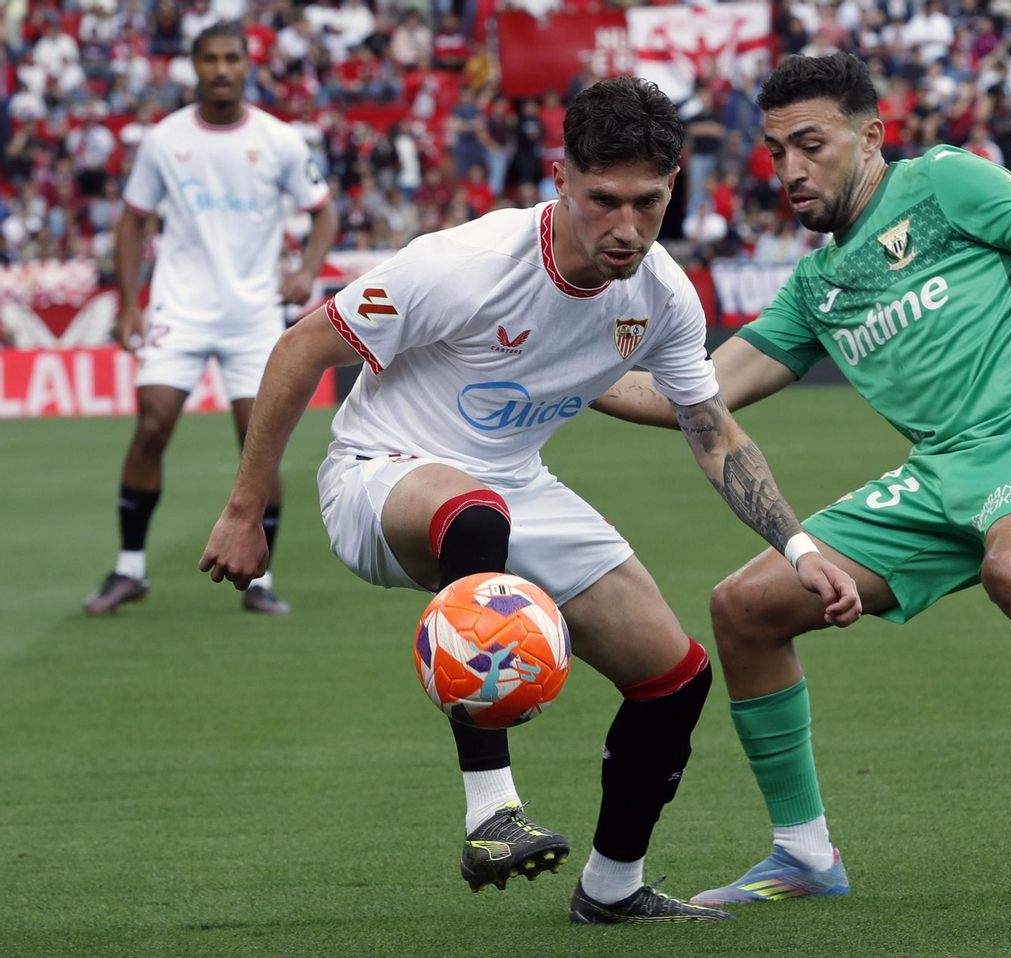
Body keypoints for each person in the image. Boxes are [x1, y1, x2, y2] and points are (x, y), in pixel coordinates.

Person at [196, 77, 863, 925]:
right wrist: (246, 508)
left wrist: (800, 550)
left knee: (675, 674)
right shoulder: (463, 263)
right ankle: (491, 813)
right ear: (560, 177)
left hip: (516, 484)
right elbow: (301, 349)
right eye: (603, 200)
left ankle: (614, 888)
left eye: (649, 203)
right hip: (381, 473)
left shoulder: (662, 296)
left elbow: (714, 432)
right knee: (476, 515)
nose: (626, 228)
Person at [593, 52, 1011, 904]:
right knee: (746, 608)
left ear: (871, 137)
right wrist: (558, 369)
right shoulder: (814, 287)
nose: (791, 170)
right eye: (775, 152)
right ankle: (804, 855)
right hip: (936, 478)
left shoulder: (946, 183)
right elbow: (690, 396)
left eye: (811, 144)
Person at [84, 23, 337, 616]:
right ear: (193, 66)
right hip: (181, 307)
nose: (221, 69)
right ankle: (130, 569)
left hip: (253, 314)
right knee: (152, 425)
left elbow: (322, 214)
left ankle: (259, 578)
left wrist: (306, 271)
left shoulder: (279, 140)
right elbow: (131, 220)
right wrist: (128, 303)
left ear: (247, 65)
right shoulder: (164, 140)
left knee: (259, 441)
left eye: (231, 58)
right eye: (210, 59)